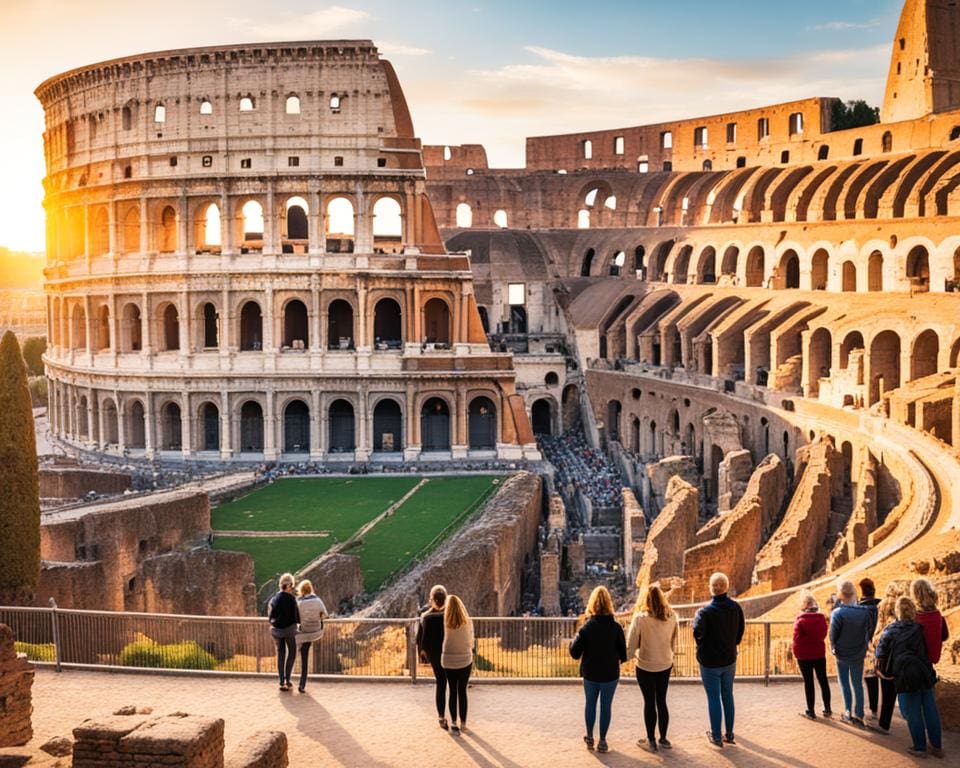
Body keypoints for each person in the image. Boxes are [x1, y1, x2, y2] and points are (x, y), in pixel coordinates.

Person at [875, 596, 943, 759]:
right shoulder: (920, 628)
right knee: (930, 709)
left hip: (905, 675)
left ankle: (920, 748)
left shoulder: (890, 630)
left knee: (912, 712)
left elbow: (880, 653)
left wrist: (881, 671)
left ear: (897, 612)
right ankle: (937, 747)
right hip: (924, 672)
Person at [570, 585, 627, 754]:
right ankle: (602, 740)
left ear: (592, 603)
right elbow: (623, 655)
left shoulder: (586, 627)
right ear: (609, 603)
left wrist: (574, 640)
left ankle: (589, 737)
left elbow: (574, 653)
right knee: (606, 706)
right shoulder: (616, 627)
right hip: (610, 673)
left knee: (590, 704)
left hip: (591, 672)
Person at [692, 572, 744, 748]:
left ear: (711, 588)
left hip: (709, 662)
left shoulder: (704, 612)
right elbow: (740, 632)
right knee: (727, 695)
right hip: (729, 659)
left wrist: (702, 646)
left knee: (714, 698)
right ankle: (729, 734)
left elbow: (697, 633)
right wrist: (732, 644)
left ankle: (716, 736)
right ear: (726, 587)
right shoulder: (736, 608)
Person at [626, 584, 677, 752]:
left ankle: (651, 740)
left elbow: (631, 645)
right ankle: (664, 738)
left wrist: (623, 658)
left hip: (645, 664)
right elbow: (673, 642)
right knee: (662, 701)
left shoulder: (641, 618)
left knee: (649, 702)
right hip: (665, 663)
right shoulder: (672, 617)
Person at [829, 579, 871, 726]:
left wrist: (833, 648)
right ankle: (859, 713)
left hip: (842, 653)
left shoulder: (837, 613)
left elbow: (833, 634)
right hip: (858, 653)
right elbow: (868, 632)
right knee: (857, 683)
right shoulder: (865, 612)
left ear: (840, 594)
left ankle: (848, 711)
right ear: (854, 593)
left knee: (844, 682)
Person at [792, 590, 831, 719]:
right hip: (819, 653)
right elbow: (823, 635)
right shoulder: (821, 619)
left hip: (804, 656)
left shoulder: (800, 620)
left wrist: (796, 652)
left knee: (809, 682)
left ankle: (811, 710)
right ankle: (827, 708)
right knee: (823, 680)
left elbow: (796, 639)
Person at [870, 582, 903, 733]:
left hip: (884, 652)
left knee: (886, 689)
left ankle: (884, 724)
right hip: (901, 653)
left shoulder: (882, 605)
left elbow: (879, 627)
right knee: (896, 688)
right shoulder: (902, 604)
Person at [416, 585, 448, 729]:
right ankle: (456, 718)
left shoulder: (426, 617)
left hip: (435, 655)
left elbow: (420, 640)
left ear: (432, 600)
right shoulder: (451, 614)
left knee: (441, 684)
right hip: (450, 652)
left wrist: (423, 655)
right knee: (454, 686)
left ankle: (441, 717)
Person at [441, 595, 474, 736]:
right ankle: (464, 724)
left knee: (452, 691)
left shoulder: (444, 622)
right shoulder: (468, 622)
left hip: (448, 660)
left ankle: (454, 723)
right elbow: (471, 641)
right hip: (465, 660)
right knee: (462, 691)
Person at [267, 572, 300, 691]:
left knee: (280, 654)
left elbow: (270, 616)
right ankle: (288, 679)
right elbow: (296, 616)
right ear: (290, 585)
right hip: (289, 630)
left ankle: (281, 680)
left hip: (276, 630)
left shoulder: (274, 598)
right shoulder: (291, 599)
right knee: (291, 653)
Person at [295, 579, 327, 693]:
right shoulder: (318, 601)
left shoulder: (300, 603)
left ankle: (301, 684)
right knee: (306, 648)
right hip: (317, 630)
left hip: (305, 630)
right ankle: (302, 684)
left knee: (304, 653)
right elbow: (325, 615)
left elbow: (296, 618)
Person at [912, 578, 950, 666]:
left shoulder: (915, 616)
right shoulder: (937, 614)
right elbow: (945, 636)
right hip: (934, 657)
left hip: (917, 658)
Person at [858, 578, 881, 720]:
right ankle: (881, 711)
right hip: (882, 645)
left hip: (867, 647)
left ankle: (872, 710)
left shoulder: (859, 608)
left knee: (870, 679)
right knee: (884, 679)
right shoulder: (881, 605)